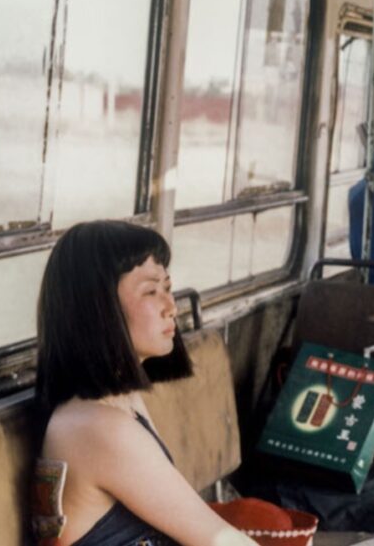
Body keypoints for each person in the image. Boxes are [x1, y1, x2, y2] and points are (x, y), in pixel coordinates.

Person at [35, 221, 257, 546]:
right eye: (151, 292)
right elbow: (218, 540)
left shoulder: (119, 401)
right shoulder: (97, 427)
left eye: (168, 288)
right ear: (100, 309)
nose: (171, 307)